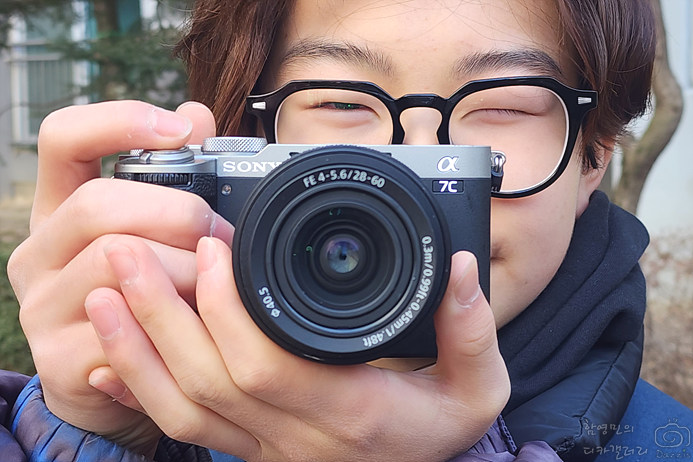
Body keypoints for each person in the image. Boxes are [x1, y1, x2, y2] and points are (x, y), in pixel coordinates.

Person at [3, 0, 655, 460]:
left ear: (594, 155)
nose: (415, 163)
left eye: (503, 105)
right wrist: (93, 432)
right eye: (340, 101)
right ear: (249, 139)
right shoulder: (132, 408)